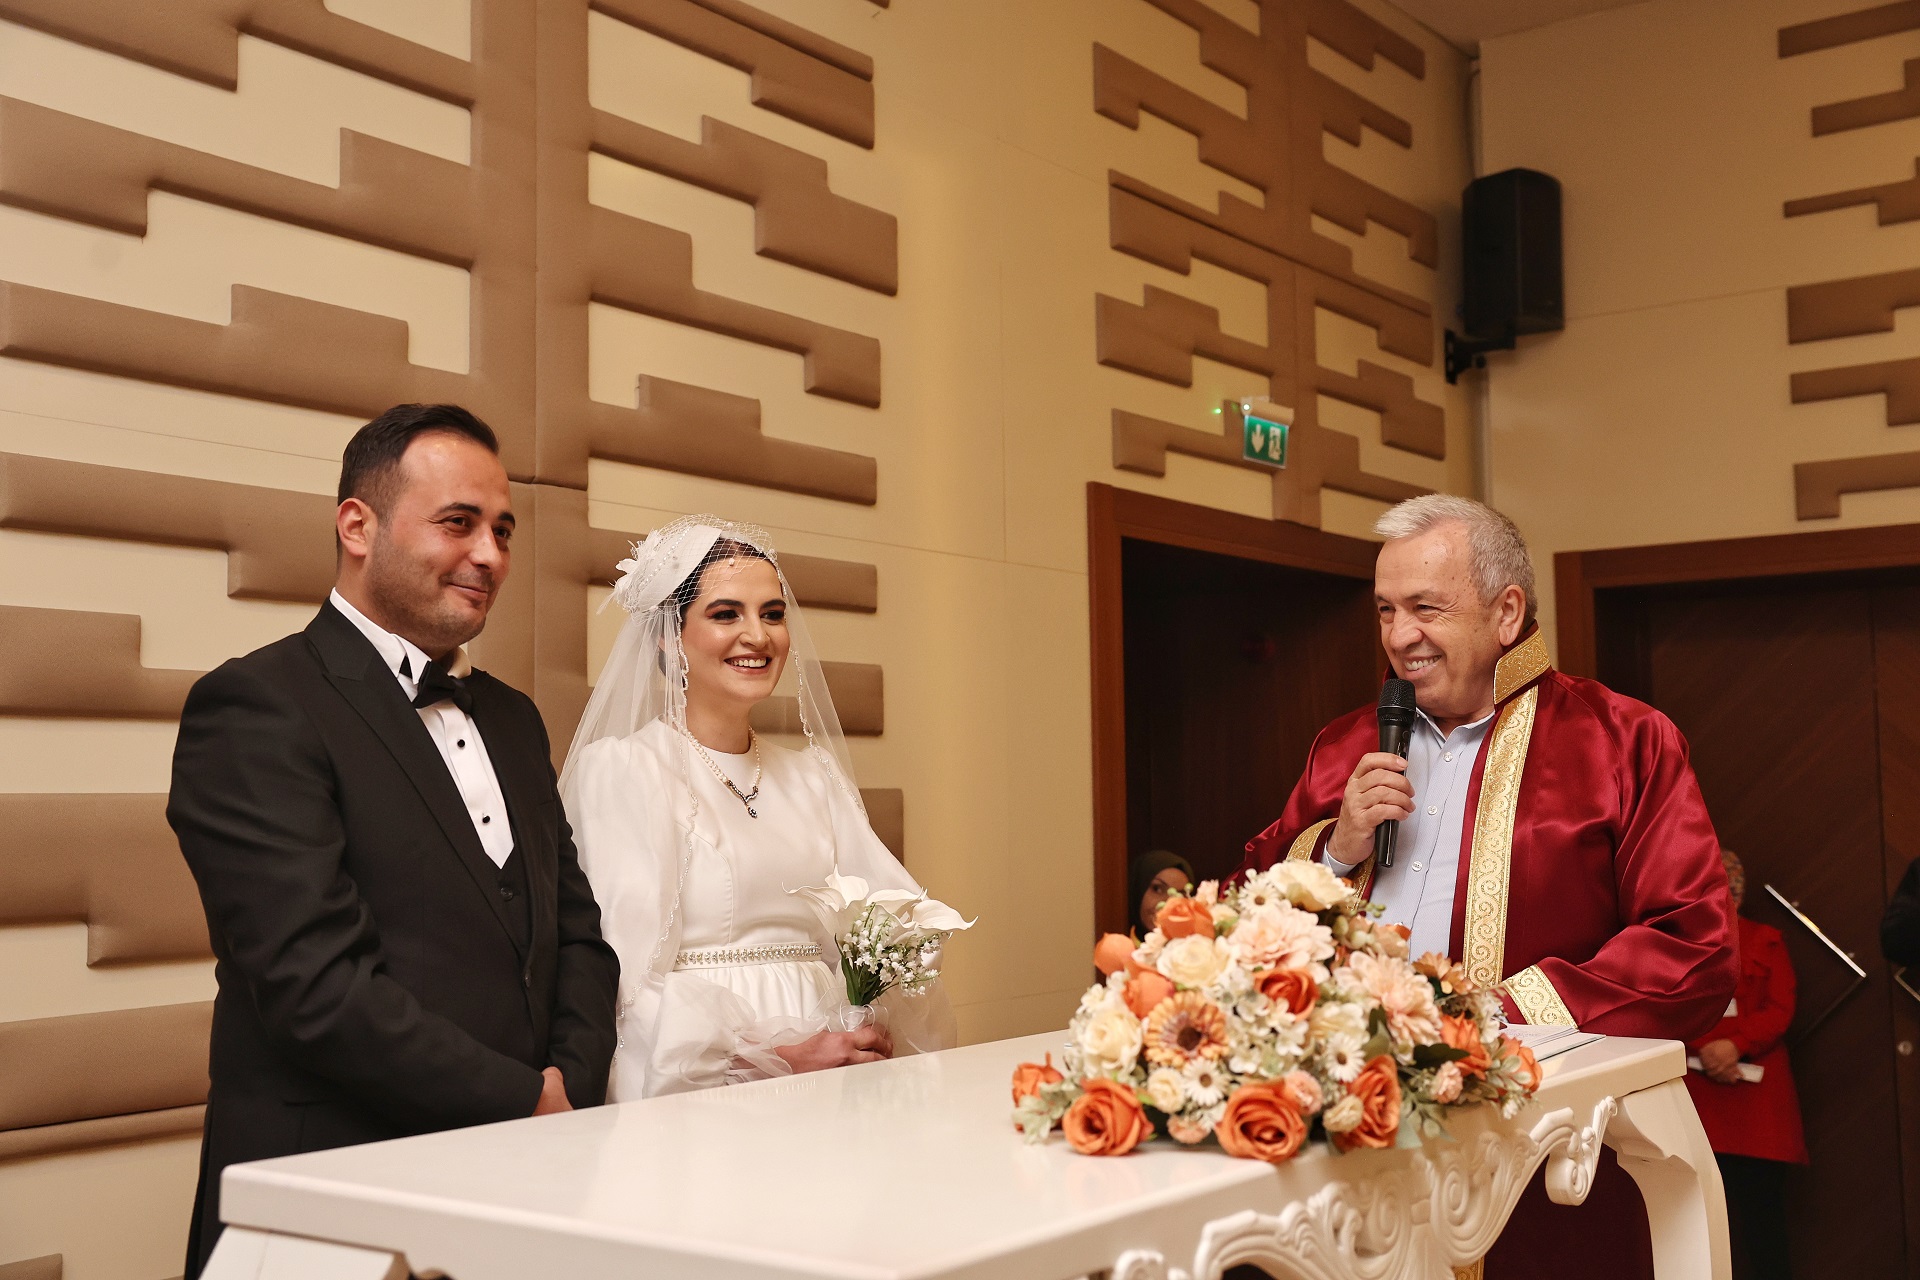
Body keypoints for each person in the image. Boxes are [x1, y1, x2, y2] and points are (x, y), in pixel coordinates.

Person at [1233, 493, 1736, 1280]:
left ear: (1507, 612)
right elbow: (1238, 916)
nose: (1400, 635)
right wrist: (1335, 848)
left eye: (1426, 607)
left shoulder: (1622, 740)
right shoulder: (1343, 746)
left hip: (1547, 1167)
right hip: (1351, 1170)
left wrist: (1489, 1021)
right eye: (1386, 610)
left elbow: (1692, 946)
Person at [167, 405, 619, 1278]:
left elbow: (577, 937)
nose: (490, 556)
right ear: (357, 527)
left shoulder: (515, 718)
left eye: (502, 531)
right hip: (332, 1187)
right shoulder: (258, 705)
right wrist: (523, 1098)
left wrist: (569, 1089)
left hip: (525, 1182)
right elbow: (313, 986)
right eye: (458, 523)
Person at [561, 517, 958, 1099]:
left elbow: (893, 926)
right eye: (726, 614)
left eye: (772, 614)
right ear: (670, 635)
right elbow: (622, 978)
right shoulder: (626, 771)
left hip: (833, 1068)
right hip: (704, 1084)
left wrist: (861, 1020)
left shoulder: (813, 778)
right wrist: (771, 1057)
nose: (758, 636)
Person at [1685, 849, 1805, 1280]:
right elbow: (1664, 1010)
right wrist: (1707, 1049)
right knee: (1691, 1225)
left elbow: (1780, 1008)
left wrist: (1736, 1045)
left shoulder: (1765, 940)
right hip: (1696, 1101)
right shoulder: (1677, 949)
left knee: (1763, 1225)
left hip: (1757, 1105)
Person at [1129, 850, 1193, 937]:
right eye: (1157, 889)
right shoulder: (1115, 943)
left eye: (1179, 895)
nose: (1167, 904)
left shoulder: (1198, 944)